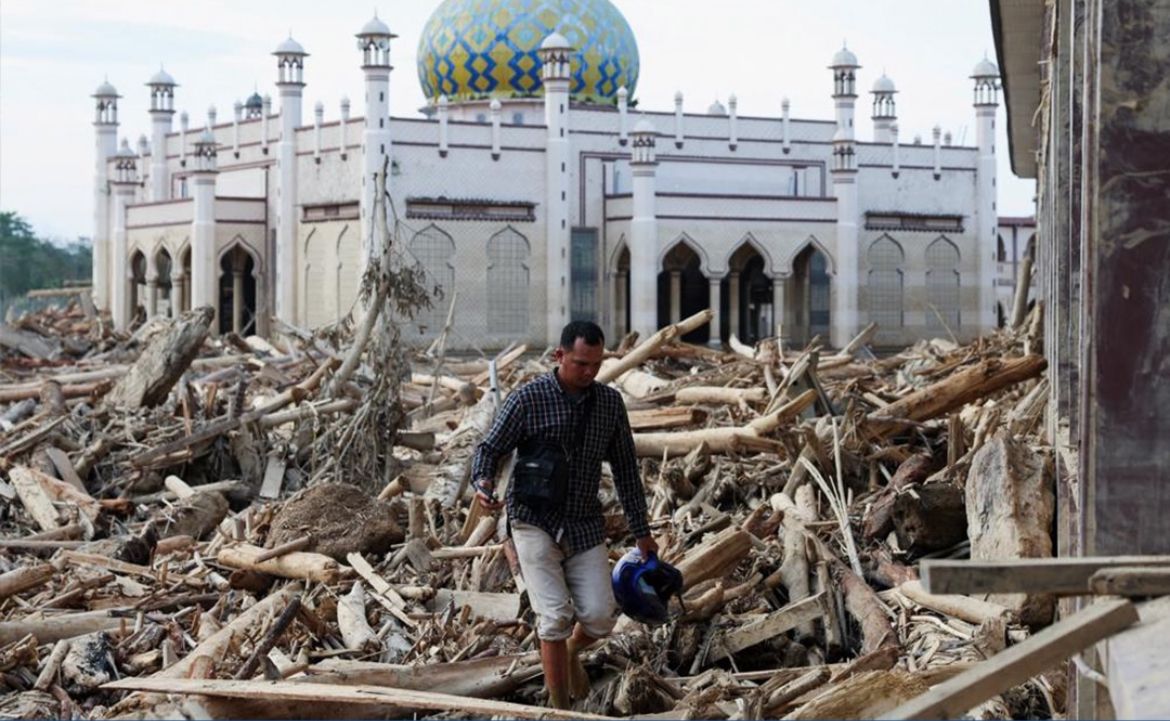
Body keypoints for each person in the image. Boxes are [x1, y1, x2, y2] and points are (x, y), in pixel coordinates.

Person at [470, 320, 657, 709]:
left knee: (601, 616)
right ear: (559, 356)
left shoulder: (609, 405)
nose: (589, 372)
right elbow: (489, 449)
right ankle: (559, 707)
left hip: (584, 523)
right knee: (554, 617)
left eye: (596, 364)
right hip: (532, 521)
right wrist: (483, 483)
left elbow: (626, 470)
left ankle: (572, 650)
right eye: (581, 363)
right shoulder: (528, 399)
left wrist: (642, 532)